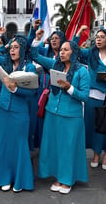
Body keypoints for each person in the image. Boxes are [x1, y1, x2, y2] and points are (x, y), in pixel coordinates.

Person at [30, 34, 90, 195]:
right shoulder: (54, 64)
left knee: (68, 148)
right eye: (61, 50)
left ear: (74, 52)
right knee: (54, 147)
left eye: (65, 50)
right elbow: (34, 54)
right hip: (52, 113)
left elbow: (85, 96)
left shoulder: (82, 72)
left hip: (71, 116)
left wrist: (69, 88)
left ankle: (67, 179)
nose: (61, 52)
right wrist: (36, 38)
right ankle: (58, 176)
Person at [0, 27, 37, 192]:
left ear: (22, 49)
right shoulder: (4, 63)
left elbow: (32, 92)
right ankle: (4, 177)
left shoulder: (29, 67)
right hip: (2, 110)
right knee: (2, 143)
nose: (13, 50)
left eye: (16, 47)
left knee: (19, 144)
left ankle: (19, 179)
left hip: (20, 112)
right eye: (11, 47)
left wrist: (15, 89)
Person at [74, 26, 106, 170]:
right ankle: (96, 153)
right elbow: (74, 51)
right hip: (93, 96)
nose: (98, 39)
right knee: (95, 127)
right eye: (97, 37)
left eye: (102, 37)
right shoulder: (90, 54)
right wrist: (78, 34)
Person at [27, 20, 66, 148]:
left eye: (57, 38)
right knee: (42, 120)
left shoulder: (69, 58)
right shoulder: (45, 53)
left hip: (63, 94)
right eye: (52, 38)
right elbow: (31, 51)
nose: (53, 40)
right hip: (44, 92)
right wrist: (35, 34)